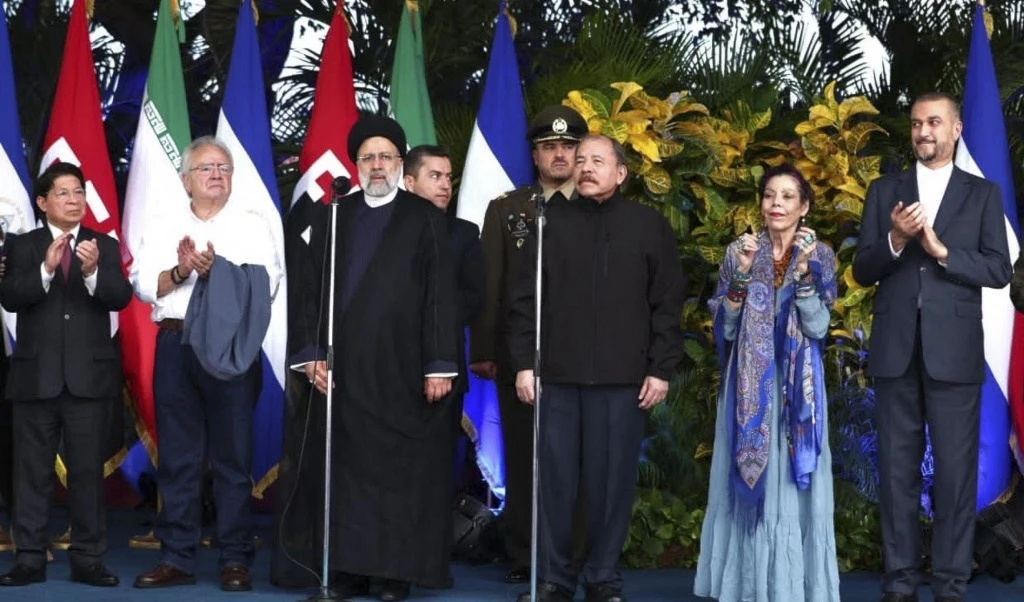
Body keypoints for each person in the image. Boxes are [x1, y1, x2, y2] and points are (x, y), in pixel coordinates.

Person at [280, 115, 458, 602]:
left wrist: (439, 362)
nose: (376, 166)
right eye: (367, 158)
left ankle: (392, 574)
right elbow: (308, 291)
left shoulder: (424, 218)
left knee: (397, 473)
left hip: (403, 369)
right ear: (355, 164)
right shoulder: (333, 214)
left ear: (401, 164)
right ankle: (349, 568)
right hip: (343, 371)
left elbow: (441, 294)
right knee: (345, 470)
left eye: (385, 157)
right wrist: (310, 353)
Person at [509, 134, 684, 602]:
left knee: (610, 486)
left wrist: (661, 369)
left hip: (622, 381)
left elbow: (667, 304)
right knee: (556, 482)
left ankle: (602, 577)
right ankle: (555, 579)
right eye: (580, 160)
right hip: (557, 378)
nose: (585, 167)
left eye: (597, 161)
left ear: (621, 173)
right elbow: (523, 302)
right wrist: (525, 364)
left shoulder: (648, 227)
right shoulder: (546, 224)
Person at [853, 92, 1012, 602]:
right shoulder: (884, 191)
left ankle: (949, 582)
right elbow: (862, 270)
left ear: (957, 129)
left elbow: (999, 269)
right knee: (897, 471)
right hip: (896, 352)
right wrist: (896, 241)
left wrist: (945, 253)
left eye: (935, 122)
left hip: (956, 352)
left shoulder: (982, 193)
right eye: (918, 123)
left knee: (955, 473)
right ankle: (899, 581)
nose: (924, 131)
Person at [131, 136, 283, 592]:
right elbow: (142, 284)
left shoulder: (254, 224)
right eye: (206, 168)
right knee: (178, 459)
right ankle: (177, 556)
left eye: (224, 168)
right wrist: (181, 272)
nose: (217, 174)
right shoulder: (162, 222)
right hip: (176, 346)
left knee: (233, 459)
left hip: (231, 350)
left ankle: (234, 558)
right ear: (185, 180)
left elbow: (268, 283)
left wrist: (218, 272)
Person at [693, 164, 841, 602]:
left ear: (804, 206)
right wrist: (739, 276)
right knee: (746, 482)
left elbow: (817, 328)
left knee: (796, 488)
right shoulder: (740, 250)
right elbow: (728, 329)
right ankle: (747, 587)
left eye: (787, 196)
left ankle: (792, 588)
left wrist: (804, 280)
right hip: (748, 389)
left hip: (800, 390)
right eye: (769, 195)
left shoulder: (821, 255)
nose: (776, 204)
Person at [0, 162, 132, 587]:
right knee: (31, 473)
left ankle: (89, 558)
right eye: (64, 193)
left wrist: (92, 272)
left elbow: (121, 298)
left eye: (79, 192)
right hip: (35, 378)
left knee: (87, 474)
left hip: (88, 380)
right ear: (42, 202)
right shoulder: (22, 246)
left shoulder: (104, 245)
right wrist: (45, 270)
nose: (75, 200)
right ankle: (30, 558)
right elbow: (11, 297)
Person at [470, 104, 587, 584]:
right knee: (521, 453)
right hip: (519, 356)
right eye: (549, 147)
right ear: (536, 156)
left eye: (568, 146)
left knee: (578, 459)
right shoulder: (509, 209)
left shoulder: (596, 207)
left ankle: (574, 556)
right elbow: (490, 284)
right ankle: (524, 552)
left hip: (584, 359)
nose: (559, 155)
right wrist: (484, 349)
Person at [403, 144, 484, 487]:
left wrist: (431, 316)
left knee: (438, 467)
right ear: (408, 182)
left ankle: (435, 539)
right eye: (434, 176)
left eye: (448, 177)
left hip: (444, 365)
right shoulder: (385, 231)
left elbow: (474, 296)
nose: (445, 185)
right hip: (390, 367)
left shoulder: (464, 233)